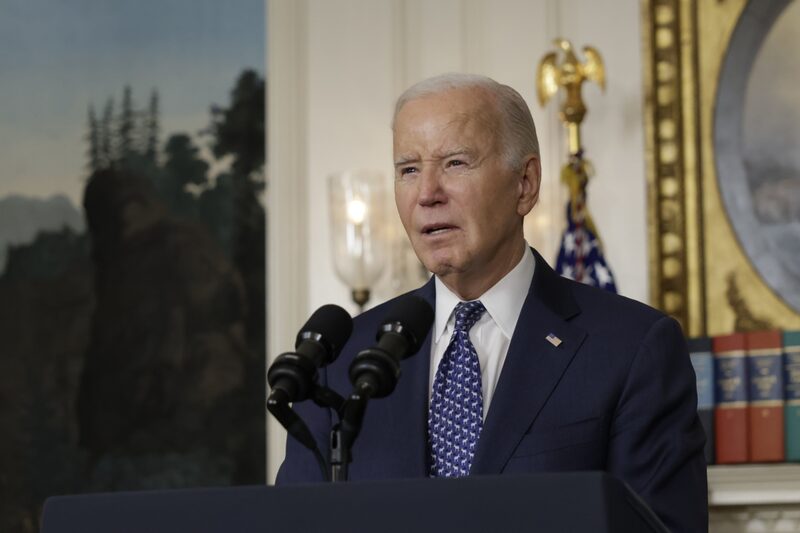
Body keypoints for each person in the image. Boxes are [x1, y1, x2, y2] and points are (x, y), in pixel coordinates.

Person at [277, 73, 707, 532]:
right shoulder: (343, 361)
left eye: (456, 163)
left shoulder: (631, 349)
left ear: (525, 183)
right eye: (408, 169)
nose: (427, 194)